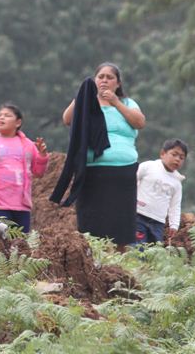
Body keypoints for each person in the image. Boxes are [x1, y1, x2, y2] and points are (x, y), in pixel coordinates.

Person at [53, 62, 146, 251]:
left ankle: (120, 259)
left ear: (118, 83)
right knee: (92, 218)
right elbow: (67, 119)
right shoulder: (86, 102)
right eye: (100, 77)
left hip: (123, 171)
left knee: (120, 219)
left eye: (109, 77)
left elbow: (139, 122)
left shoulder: (127, 103)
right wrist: (81, 96)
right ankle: (94, 257)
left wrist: (115, 102)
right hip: (92, 170)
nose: (104, 80)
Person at [0, 103, 49, 233]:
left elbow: (38, 172)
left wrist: (42, 156)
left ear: (18, 122)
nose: (1, 118)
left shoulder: (28, 145)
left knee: (20, 246)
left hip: (21, 206)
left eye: (7, 115)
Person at [135, 139, 187, 244]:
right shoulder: (148, 167)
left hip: (158, 223)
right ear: (163, 154)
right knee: (137, 249)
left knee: (153, 252)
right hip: (139, 215)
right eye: (174, 154)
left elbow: (175, 206)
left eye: (181, 158)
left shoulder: (177, 182)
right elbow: (131, 182)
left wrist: (174, 225)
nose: (177, 159)